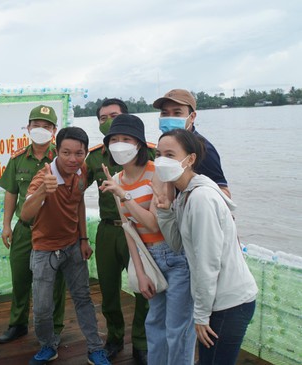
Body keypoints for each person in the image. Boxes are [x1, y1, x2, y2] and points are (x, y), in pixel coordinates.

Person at [154, 129, 257, 365]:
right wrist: (164, 211)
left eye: (170, 154)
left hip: (229, 303)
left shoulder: (201, 198)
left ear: (190, 159)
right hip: (219, 301)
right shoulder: (185, 195)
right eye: (158, 154)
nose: (161, 160)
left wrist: (200, 315)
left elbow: (207, 263)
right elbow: (178, 244)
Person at [99, 115, 195, 365]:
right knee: (154, 323)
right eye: (115, 140)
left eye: (126, 139)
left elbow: (154, 223)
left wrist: (124, 196)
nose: (120, 144)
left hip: (174, 256)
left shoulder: (157, 172)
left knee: (177, 328)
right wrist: (140, 272)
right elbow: (129, 230)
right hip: (148, 256)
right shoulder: (117, 179)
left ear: (139, 144)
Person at [21, 127, 110, 365]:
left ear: (84, 153)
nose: (73, 159)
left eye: (79, 153)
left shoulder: (81, 170)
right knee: (41, 307)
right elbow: (26, 214)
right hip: (44, 250)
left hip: (73, 246)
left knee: (83, 298)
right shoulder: (44, 177)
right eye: (66, 153)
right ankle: (48, 345)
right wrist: (42, 191)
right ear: (56, 152)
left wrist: (83, 239)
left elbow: (79, 201)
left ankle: (94, 348)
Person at [85, 99, 150, 363]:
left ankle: (141, 342)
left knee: (144, 289)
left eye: (113, 115)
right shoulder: (95, 156)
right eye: (102, 118)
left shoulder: (151, 154)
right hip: (108, 231)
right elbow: (74, 190)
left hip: (140, 231)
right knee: (108, 289)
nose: (107, 121)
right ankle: (113, 337)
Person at [0, 105, 66, 344]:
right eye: (36, 125)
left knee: (55, 282)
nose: (41, 130)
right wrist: (6, 225)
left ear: (55, 131)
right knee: (20, 278)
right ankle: (17, 325)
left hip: (53, 231)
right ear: (28, 128)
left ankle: (55, 328)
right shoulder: (17, 159)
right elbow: (11, 193)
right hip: (25, 229)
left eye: (46, 126)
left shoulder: (62, 157)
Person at [153, 89, 231, 197]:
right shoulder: (165, 145)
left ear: (192, 117)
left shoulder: (203, 149)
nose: (170, 118)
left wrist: (194, 200)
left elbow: (225, 193)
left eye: (177, 113)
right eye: (165, 113)